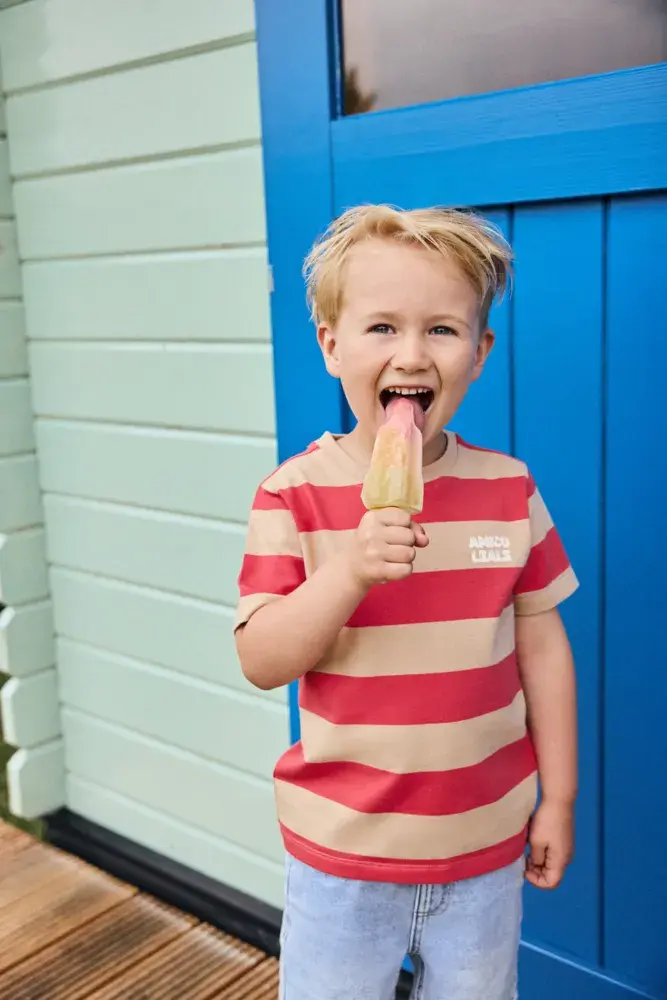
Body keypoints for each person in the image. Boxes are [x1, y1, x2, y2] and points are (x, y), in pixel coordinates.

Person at [234, 205, 578, 1000]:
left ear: (480, 352)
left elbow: (542, 649)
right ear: (330, 345)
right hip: (343, 857)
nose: (411, 354)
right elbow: (260, 658)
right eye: (381, 328)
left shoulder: (508, 489)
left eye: (442, 330)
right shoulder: (294, 496)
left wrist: (555, 799)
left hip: (484, 849)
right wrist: (348, 570)